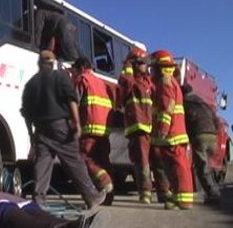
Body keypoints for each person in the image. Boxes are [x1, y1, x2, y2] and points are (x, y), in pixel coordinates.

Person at [21, 50, 106, 209]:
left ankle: (38, 202)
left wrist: (31, 134)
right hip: (60, 128)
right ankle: (92, 196)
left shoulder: (31, 83)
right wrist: (77, 122)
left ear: (39, 63)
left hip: (40, 129)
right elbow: (72, 100)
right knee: (74, 162)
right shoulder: (60, 77)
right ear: (52, 63)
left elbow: (25, 113)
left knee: (43, 165)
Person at [150, 50, 194, 210]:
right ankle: (179, 198)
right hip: (175, 132)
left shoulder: (165, 82)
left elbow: (166, 108)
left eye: (153, 68)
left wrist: (162, 130)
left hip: (171, 134)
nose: (151, 71)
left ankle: (183, 200)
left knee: (177, 167)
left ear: (160, 68)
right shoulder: (171, 82)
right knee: (176, 167)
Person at [71, 57, 114, 203]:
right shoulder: (100, 82)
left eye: (74, 70)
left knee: (84, 158)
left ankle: (104, 180)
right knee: (103, 162)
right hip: (104, 130)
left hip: (89, 127)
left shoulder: (82, 80)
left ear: (81, 68)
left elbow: (74, 102)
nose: (73, 73)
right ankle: (108, 198)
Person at [116, 48, 154, 204]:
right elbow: (124, 80)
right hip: (138, 128)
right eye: (143, 63)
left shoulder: (147, 82)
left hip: (151, 128)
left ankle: (156, 192)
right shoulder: (131, 83)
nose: (146, 66)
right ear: (134, 64)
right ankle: (145, 193)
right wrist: (128, 66)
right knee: (141, 161)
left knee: (151, 161)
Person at [181, 84, 222, 204]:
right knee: (208, 166)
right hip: (212, 135)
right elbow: (216, 120)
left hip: (200, 135)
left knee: (201, 167)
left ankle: (213, 195)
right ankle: (213, 191)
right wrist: (213, 132)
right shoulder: (202, 103)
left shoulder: (185, 103)